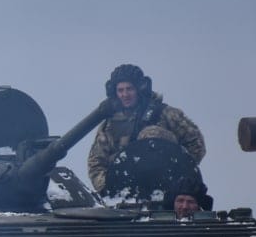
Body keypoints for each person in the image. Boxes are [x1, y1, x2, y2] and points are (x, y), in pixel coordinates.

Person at [87, 64, 206, 193]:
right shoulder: (109, 125)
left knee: (151, 134)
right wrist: (109, 188)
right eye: (120, 90)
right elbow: (96, 162)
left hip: (168, 192)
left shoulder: (165, 114)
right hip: (126, 194)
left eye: (129, 89)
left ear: (140, 89)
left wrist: (180, 175)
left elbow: (196, 144)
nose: (125, 94)